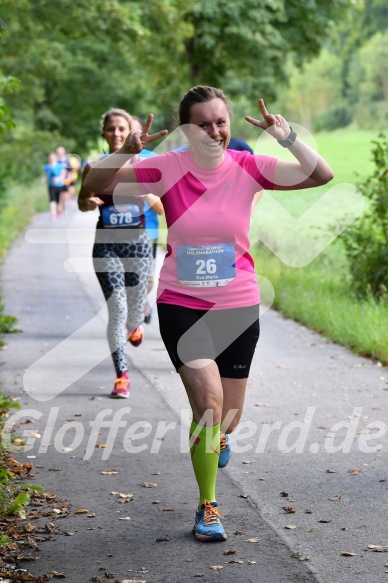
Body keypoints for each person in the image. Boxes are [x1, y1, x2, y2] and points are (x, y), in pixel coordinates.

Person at [84, 86, 334, 542]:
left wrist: (287, 136)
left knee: (228, 417)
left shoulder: (248, 167)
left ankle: (218, 439)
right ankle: (208, 505)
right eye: (202, 124)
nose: (213, 131)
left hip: (238, 306)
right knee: (209, 408)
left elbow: (321, 176)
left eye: (220, 122)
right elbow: (93, 187)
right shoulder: (166, 167)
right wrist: (124, 152)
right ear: (185, 128)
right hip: (182, 303)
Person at [78, 108, 163, 399]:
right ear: (104, 133)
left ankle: (135, 326)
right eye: (111, 128)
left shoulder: (143, 167)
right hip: (106, 246)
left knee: (133, 313)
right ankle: (122, 377)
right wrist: (89, 202)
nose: (116, 133)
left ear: (131, 132)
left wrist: (145, 193)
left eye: (121, 128)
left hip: (138, 245)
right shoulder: (93, 167)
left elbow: (163, 209)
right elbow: (82, 202)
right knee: (117, 311)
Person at [130, 116, 164, 324]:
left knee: (147, 278)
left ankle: (142, 299)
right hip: (118, 230)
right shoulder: (111, 159)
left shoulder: (154, 159)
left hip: (148, 230)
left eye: (136, 131)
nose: (134, 137)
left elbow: (161, 207)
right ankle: (134, 306)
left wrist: (143, 193)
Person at [42, 152, 65, 221]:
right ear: (49, 159)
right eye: (50, 158)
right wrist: (43, 181)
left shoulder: (59, 166)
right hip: (51, 186)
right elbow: (45, 175)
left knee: (59, 200)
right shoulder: (46, 167)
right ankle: (53, 215)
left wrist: (58, 179)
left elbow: (63, 174)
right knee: (52, 200)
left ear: (55, 158)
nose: (52, 159)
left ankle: (59, 210)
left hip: (59, 185)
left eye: (53, 157)